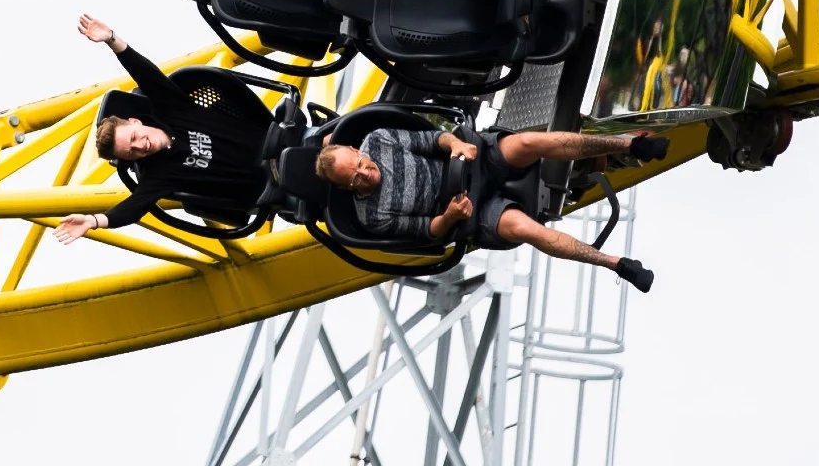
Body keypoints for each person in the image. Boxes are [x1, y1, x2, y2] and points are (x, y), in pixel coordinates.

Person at [314, 124, 665, 292]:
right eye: (355, 178)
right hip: (472, 211)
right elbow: (428, 233)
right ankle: (616, 264)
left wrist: (456, 144)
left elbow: (433, 139)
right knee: (526, 230)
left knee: (529, 142)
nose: (365, 172)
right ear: (347, 188)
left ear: (357, 150)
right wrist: (450, 215)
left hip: (475, 162)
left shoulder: (378, 139)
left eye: (359, 162)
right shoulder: (370, 216)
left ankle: (630, 145)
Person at [55, 15, 273, 244]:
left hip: (276, 138)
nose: (140, 145)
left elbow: (146, 74)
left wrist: (111, 39)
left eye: (134, 137)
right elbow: (133, 208)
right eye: (131, 151)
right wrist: (93, 221)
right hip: (272, 182)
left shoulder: (172, 110)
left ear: (135, 122)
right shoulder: (160, 174)